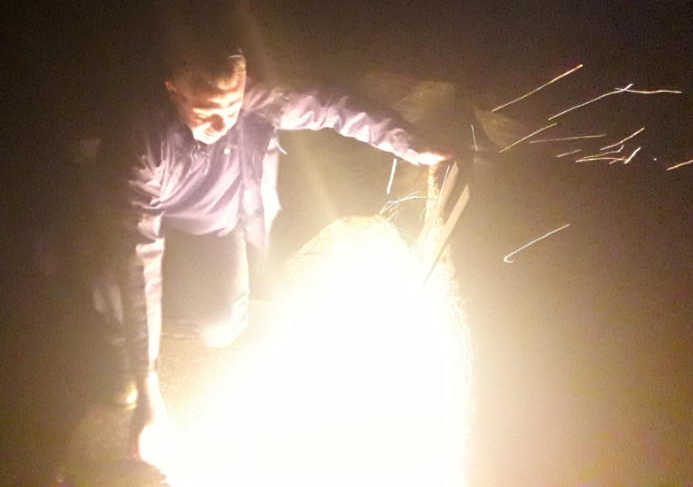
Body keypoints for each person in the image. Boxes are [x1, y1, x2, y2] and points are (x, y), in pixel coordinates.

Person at [97, 47, 449, 465]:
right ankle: (119, 340)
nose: (220, 124)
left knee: (221, 326)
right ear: (174, 91)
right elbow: (138, 253)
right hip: (148, 225)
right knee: (114, 281)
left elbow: (331, 105)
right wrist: (148, 386)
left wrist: (413, 145)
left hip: (213, 230)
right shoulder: (143, 139)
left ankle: (172, 304)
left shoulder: (257, 101)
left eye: (231, 107)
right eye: (206, 110)